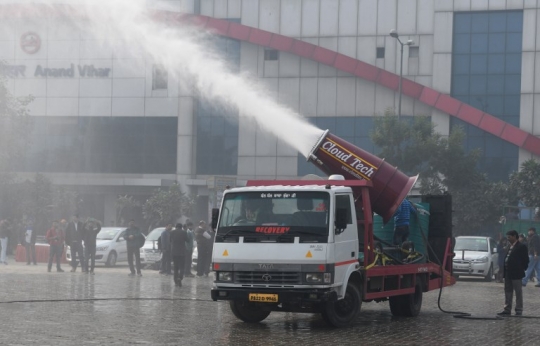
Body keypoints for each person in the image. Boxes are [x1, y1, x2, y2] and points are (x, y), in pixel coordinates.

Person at [498, 230, 529, 316]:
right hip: (508, 272)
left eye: (509, 237)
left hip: (516, 273)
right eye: (507, 237)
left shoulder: (521, 246)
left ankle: (519, 309)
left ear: (514, 236)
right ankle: (507, 309)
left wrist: (521, 268)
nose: (508, 238)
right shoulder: (508, 246)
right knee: (508, 291)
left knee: (518, 292)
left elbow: (525, 260)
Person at [170, 223, 188, 287]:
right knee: (182, 267)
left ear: (176, 226)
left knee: (175, 267)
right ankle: (180, 278)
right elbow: (187, 240)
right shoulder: (184, 232)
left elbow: (170, 240)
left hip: (174, 252)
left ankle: (175, 280)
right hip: (182, 252)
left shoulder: (172, 232)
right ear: (181, 227)